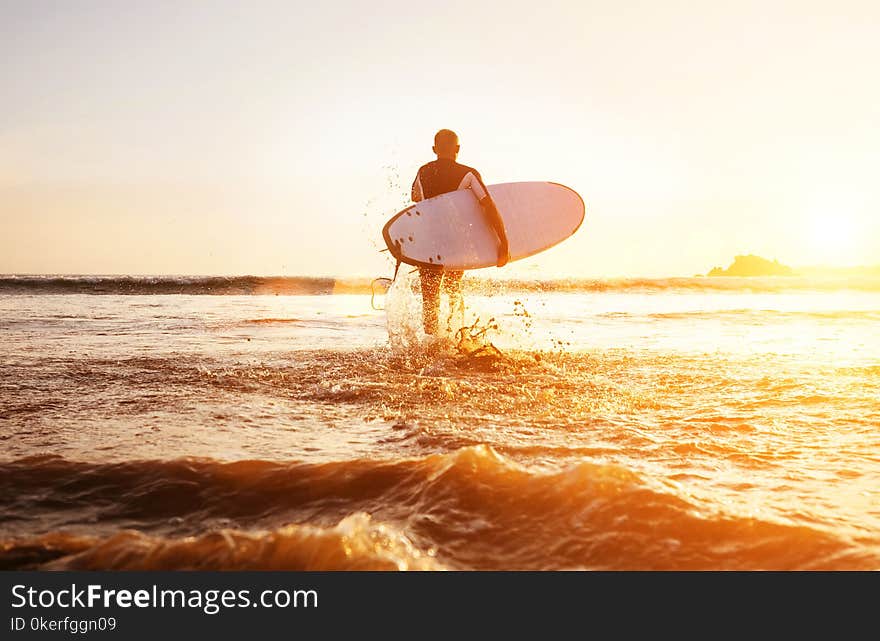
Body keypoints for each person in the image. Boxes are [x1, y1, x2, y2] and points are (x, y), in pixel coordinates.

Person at [411, 129, 510, 335]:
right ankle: (457, 335)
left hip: (429, 242)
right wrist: (503, 242)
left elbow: (415, 197)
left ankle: (431, 343)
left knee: (429, 297)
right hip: (456, 242)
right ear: (457, 149)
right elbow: (488, 205)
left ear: (434, 149)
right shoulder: (468, 173)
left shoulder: (423, 172)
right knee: (453, 288)